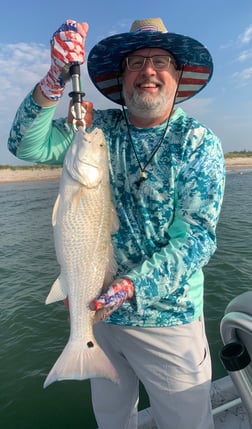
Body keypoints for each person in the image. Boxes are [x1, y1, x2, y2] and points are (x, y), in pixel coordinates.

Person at [8, 17, 225, 429]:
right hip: (98, 317)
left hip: (169, 319)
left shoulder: (198, 144)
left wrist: (129, 287)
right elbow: (24, 144)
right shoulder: (95, 129)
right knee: (111, 420)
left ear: (177, 76)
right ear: (122, 76)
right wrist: (54, 81)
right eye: (135, 61)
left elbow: (197, 240)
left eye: (160, 60)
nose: (148, 70)